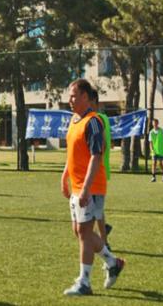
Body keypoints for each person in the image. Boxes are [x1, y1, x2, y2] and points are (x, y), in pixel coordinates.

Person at [61, 79, 125, 296]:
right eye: (70, 95)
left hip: (91, 187)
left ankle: (84, 282)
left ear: (85, 97)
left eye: (74, 95)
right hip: (77, 185)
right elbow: (73, 153)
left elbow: (96, 156)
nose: (70, 99)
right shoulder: (74, 120)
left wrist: (86, 188)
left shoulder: (93, 122)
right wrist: (65, 177)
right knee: (79, 231)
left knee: (85, 233)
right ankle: (113, 262)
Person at [91, 90, 114, 250]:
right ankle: (103, 233)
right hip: (99, 170)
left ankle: (104, 241)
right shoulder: (102, 118)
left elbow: (102, 145)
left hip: (98, 170)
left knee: (95, 210)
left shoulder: (97, 119)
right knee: (96, 209)